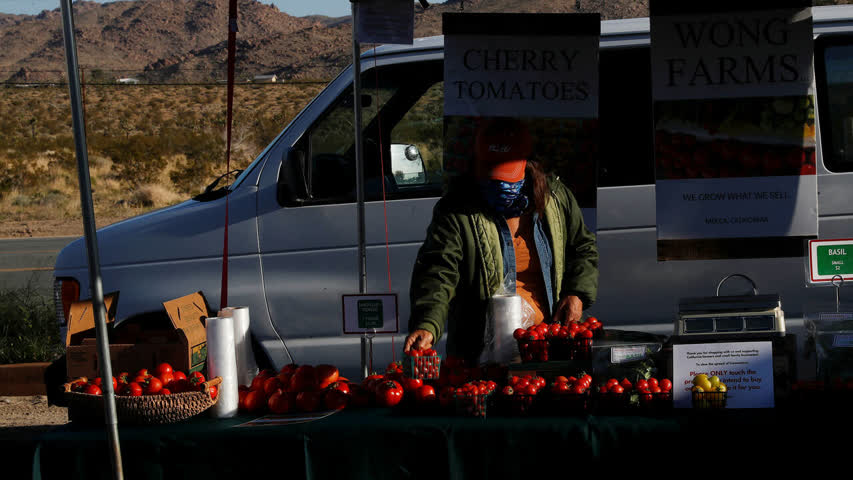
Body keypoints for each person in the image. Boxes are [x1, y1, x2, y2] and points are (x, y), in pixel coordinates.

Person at [404, 118, 599, 365]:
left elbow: (583, 248)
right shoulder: (456, 211)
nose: (498, 185)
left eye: (507, 176)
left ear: (529, 166)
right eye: (490, 176)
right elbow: (438, 271)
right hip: (482, 353)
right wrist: (427, 323)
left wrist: (577, 293)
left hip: (550, 346)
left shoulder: (557, 200)